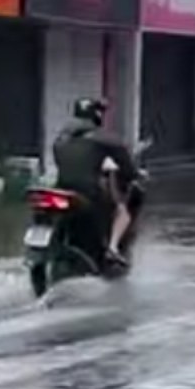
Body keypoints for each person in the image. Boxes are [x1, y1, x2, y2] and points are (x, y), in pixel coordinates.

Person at [52, 97, 141, 266]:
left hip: (60, 190)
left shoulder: (61, 138)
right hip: (88, 193)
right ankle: (112, 249)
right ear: (97, 116)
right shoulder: (105, 139)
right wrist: (131, 175)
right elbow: (128, 170)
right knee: (121, 211)